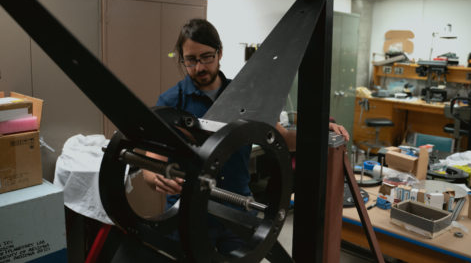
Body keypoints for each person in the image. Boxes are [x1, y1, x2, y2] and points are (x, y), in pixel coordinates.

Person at [143, 18, 349, 253]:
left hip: (237, 210)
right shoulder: (172, 101)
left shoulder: (245, 97)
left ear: (220, 53)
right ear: (182, 58)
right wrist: (156, 177)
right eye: (190, 60)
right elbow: (153, 162)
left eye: (206, 57)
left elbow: (280, 139)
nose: (199, 67)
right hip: (189, 213)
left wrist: (318, 132)